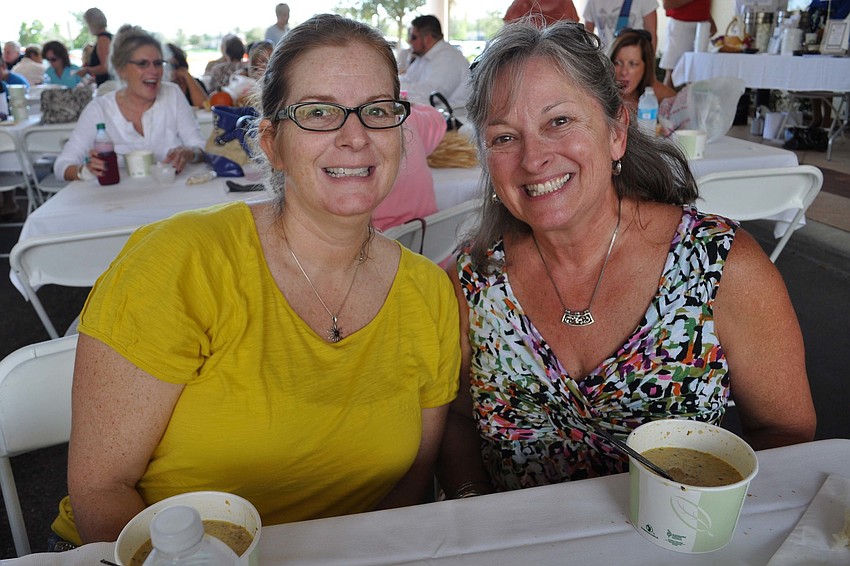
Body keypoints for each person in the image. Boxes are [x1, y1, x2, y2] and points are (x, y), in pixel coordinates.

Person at [52, 13, 459, 547]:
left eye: (378, 111)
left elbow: (410, 483)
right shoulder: (179, 263)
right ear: (271, 142)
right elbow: (102, 490)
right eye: (318, 113)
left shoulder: (427, 293)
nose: (356, 137)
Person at [436, 21, 816, 497]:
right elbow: (456, 419)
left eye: (559, 121)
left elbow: (788, 435)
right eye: (504, 137)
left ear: (617, 131)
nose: (534, 159)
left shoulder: (719, 266)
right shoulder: (470, 282)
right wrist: (475, 505)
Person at [53, 25, 205, 182]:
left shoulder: (172, 94)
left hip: (174, 196)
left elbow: (200, 146)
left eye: (158, 63)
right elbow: (62, 166)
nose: (154, 71)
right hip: (117, 203)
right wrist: (86, 171)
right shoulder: (99, 110)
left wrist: (190, 152)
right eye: (142, 64)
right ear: (121, 70)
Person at [373, 102, 446, 230]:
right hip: (427, 236)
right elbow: (438, 121)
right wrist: (410, 104)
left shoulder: (354, 139)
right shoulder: (409, 116)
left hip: (380, 240)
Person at [400, 15, 470, 114]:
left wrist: (396, 88)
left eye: (413, 37)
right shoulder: (423, 57)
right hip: (431, 116)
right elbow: (406, 79)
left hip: (453, 123)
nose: (410, 41)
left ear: (427, 38)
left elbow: (431, 95)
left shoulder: (449, 58)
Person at [610, 28, 675, 110]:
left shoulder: (660, 95)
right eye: (617, 63)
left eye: (633, 64)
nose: (624, 72)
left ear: (646, 67)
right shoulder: (598, 95)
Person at [658, 0, 715, 88]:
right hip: (681, 24)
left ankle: (690, 101)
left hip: (702, 24)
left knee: (696, 72)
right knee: (673, 71)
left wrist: (709, 19)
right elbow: (667, 4)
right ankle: (666, 101)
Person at [583, 0, 659, 54]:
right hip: (605, 62)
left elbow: (652, 35)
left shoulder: (646, 1)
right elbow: (587, 35)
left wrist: (650, 65)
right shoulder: (593, 1)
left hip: (634, 61)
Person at [76, 8, 112, 86]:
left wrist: (86, 70)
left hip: (108, 87)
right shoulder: (108, 38)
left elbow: (106, 67)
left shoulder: (103, 40)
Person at [166, 43, 208, 108]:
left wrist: (187, 76)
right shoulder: (161, 87)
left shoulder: (194, 83)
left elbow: (204, 105)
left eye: (172, 66)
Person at [504, 0, 579, 25]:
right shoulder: (520, 4)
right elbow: (507, 34)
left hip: (560, 53)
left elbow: (575, 32)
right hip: (525, 53)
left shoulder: (566, 3)